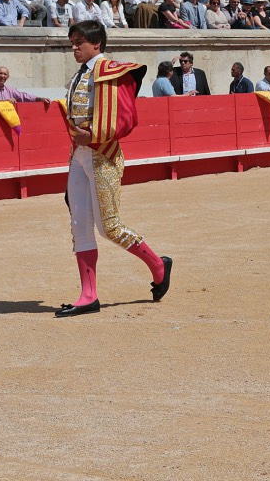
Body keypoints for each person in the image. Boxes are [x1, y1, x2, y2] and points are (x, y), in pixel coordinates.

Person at [57, 21, 172, 317]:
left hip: (103, 155)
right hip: (78, 156)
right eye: (72, 42)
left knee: (109, 227)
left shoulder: (112, 72)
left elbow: (124, 119)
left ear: (96, 44)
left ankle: (158, 264)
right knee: (79, 225)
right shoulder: (79, 75)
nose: (74, 47)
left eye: (79, 42)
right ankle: (88, 295)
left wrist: (93, 135)